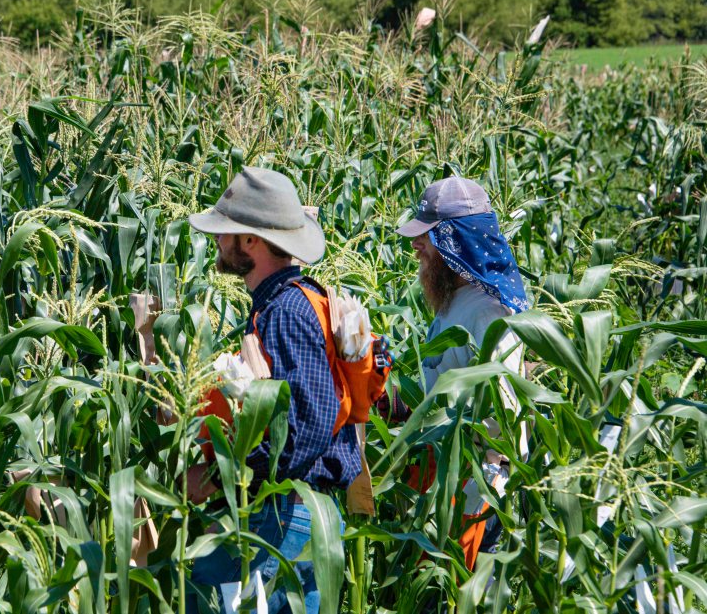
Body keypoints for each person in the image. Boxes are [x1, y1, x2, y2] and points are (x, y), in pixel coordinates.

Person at [184, 166, 360, 614]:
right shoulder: (281, 307)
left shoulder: (286, 311)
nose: (217, 240)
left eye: (226, 231)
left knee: (195, 590)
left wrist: (217, 478)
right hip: (287, 516)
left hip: (284, 517)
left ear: (251, 241)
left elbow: (305, 427)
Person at [394, 176, 530, 572]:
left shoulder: (486, 312)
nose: (416, 245)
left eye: (427, 236)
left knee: (460, 592)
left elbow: (503, 415)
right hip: (448, 481)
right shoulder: (454, 300)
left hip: (476, 490)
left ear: (454, 240)